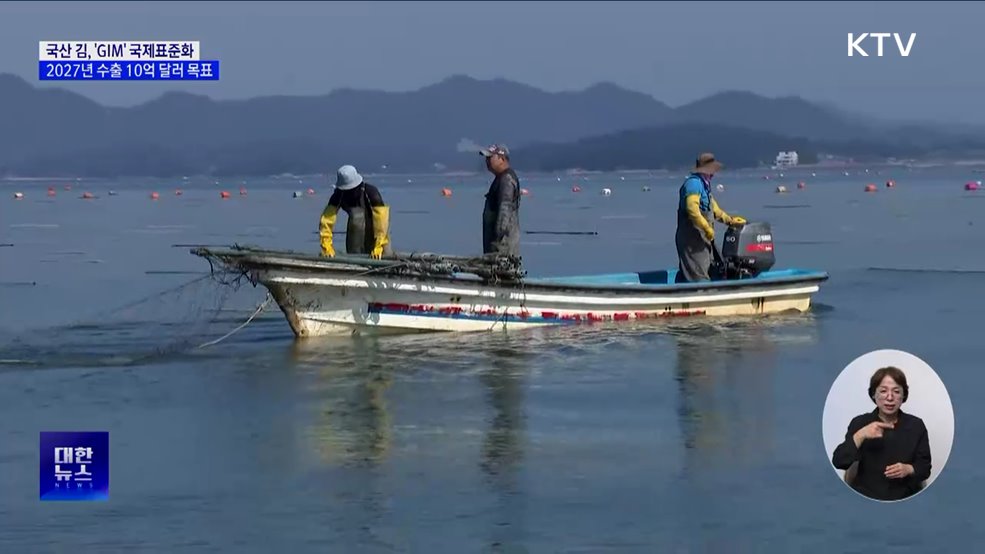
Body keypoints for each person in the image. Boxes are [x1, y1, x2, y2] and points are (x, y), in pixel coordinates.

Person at [831, 366, 932, 501]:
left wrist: (909, 469)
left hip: (904, 497)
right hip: (865, 496)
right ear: (874, 394)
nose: (890, 397)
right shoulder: (860, 422)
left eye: (896, 391)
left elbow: (925, 467)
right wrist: (861, 435)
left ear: (903, 396)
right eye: (883, 391)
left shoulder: (916, 425)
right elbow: (839, 461)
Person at [675, 153, 746, 283]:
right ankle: (698, 296)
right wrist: (707, 228)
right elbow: (692, 209)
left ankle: (680, 292)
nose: (713, 173)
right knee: (697, 274)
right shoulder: (693, 184)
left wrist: (730, 220)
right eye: (711, 170)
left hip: (702, 240)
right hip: (692, 241)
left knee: (701, 269)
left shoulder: (704, 186)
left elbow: (715, 210)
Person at [319, 165, 392, 259]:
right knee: (356, 221)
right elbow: (326, 221)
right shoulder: (339, 195)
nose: (349, 192)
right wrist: (326, 246)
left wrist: (379, 245)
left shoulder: (371, 192)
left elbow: (381, 220)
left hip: (379, 228)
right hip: (356, 228)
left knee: (385, 255)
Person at [479, 144, 520, 257]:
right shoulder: (500, 178)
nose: (487, 161)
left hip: (502, 247)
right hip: (495, 245)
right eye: (486, 158)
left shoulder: (506, 180)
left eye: (490, 157)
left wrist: (497, 241)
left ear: (501, 159)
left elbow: (504, 211)